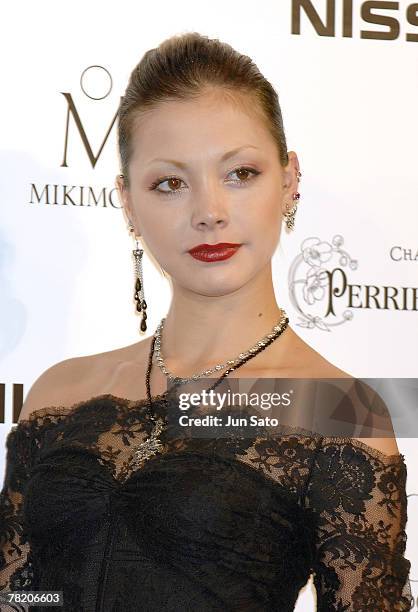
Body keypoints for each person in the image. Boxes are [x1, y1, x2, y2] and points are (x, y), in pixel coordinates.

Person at [0, 32, 411, 611]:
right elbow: (21, 597)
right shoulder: (56, 395)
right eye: (170, 183)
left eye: (240, 173)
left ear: (289, 181)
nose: (209, 212)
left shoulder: (340, 412)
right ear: (128, 202)